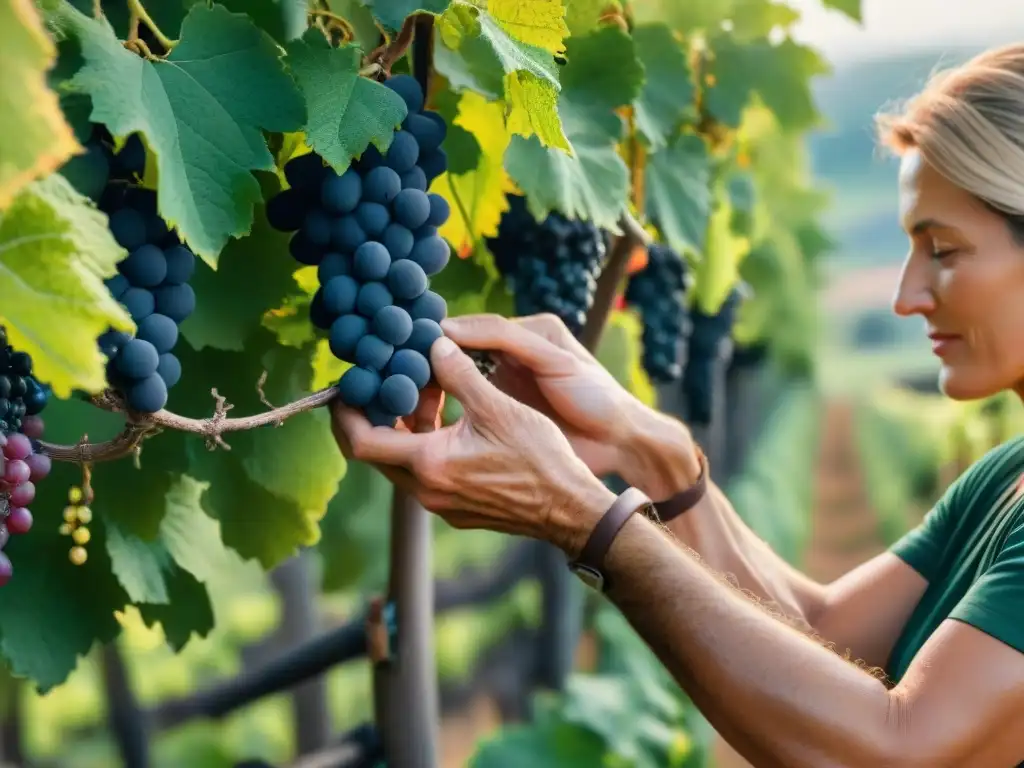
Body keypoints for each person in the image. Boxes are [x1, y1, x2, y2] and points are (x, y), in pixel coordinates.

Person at [332, 43, 1024, 767]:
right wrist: (648, 451)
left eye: (942, 250)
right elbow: (821, 636)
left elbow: (887, 753)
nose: (906, 296)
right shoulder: (1003, 481)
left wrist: (585, 520)